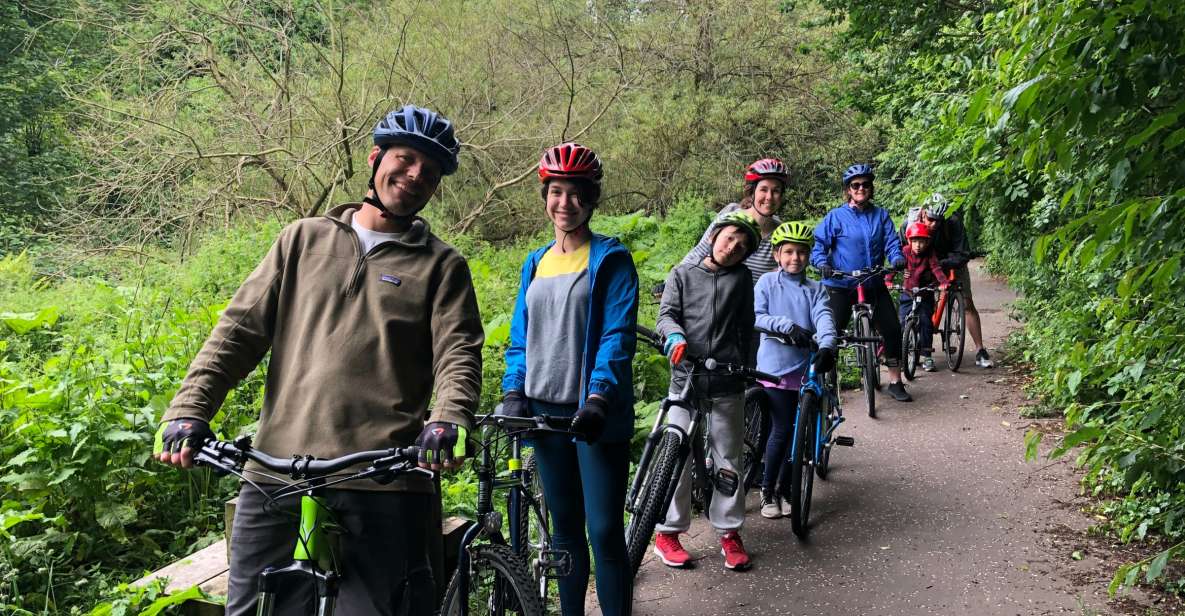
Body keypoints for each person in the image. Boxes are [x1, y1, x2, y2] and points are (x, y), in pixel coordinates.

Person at [153, 105, 485, 615]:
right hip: (276, 472)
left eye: (431, 171)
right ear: (376, 159)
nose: (416, 174)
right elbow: (237, 332)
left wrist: (448, 420)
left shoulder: (441, 266)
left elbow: (458, 353)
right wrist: (189, 409)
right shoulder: (302, 240)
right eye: (406, 158)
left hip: (382, 475)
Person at [499, 142, 638, 616]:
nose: (565, 203)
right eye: (556, 192)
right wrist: (513, 392)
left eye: (576, 193)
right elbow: (520, 336)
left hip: (593, 415)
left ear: (592, 199)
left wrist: (599, 397)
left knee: (602, 531)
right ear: (545, 197)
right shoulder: (534, 262)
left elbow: (617, 337)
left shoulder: (610, 260)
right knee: (564, 531)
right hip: (544, 414)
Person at [653, 211, 759, 571]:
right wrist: (675, 335)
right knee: (676, 453)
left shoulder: (742, 279)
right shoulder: (681, 274)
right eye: (730, 238)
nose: (734, 247)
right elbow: (666, 314)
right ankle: (667, 532)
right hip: (685, 379)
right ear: (714, 235)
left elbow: (747, 326)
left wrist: (747, 367)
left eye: (742, 246)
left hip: (727, 380)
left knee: (728, 457)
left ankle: (729, 533)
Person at [753, 221, 837, 518]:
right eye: (788, 252)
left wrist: (827, 344)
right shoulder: (766, 283)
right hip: (774, 369)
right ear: (777, 255)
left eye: (801, 252)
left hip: (805, 369)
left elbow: (824, 316)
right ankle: (767, 490)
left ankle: (788, 489)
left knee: (797, 436)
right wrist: (787, 327)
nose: (795, 258)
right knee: (781, 430)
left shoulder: (815, 289)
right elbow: (758, 317)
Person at [811, 163, 912, 402]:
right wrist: (822, 263)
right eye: (855, 185)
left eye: (865, 184)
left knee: (891, 329)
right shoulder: (835, 217)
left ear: (871, 187)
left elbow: (891, 243)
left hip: (872, 282)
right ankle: (824, 382)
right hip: (841, 284)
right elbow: (819, 246)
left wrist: (897, 258)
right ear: (848, 190)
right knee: (830, 333)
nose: (861, 188)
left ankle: (896, 381)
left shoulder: (881, 215)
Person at [680, 158, 789, 285]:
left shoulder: (781, 234)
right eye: (763, 190)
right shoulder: (730, 215)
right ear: (752, 192)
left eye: (776, 191)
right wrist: (672, 281)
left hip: (753, 303)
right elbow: (700, 251)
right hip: (716, 295)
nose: (769, 197)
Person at [915, 193, 994, 368]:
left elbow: (962, 252)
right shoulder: (913, 223)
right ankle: (918, 342)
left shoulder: (953, 222)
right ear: (923, 214)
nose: (934, 224)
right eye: (930, 219)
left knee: (966, 303)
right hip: (927, 262)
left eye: (938, 220)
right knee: (921, 300)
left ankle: (980, 349)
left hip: (952, 262)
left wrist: (947, 263)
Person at [886, 221, 950, 372]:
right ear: (909, 241)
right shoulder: (905, 251)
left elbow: (936, 268)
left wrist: (943, 282)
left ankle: (927, 356)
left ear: (927, 242)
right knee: (902, 322)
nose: (918, 245)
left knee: (926, 323)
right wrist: (888, 280)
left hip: (925, 293)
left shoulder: (930, 253)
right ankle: (902, 355)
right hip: (907, 293)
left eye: (921, 241)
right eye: (915, 241)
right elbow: (895, 268)